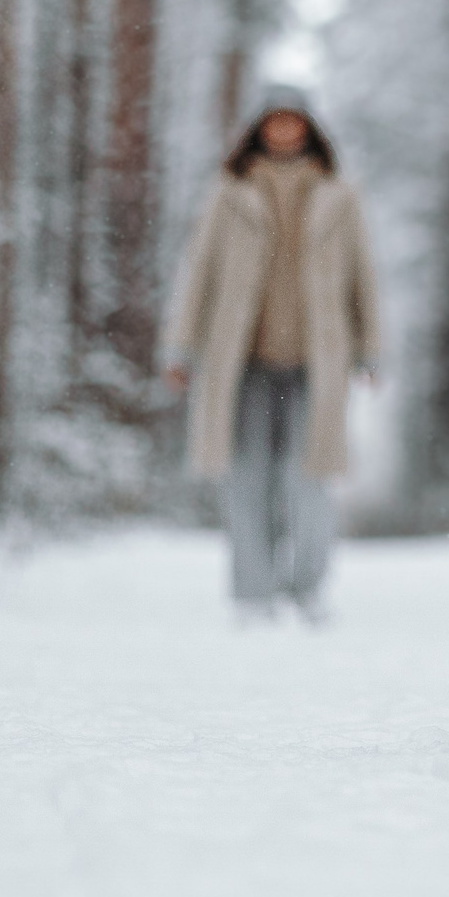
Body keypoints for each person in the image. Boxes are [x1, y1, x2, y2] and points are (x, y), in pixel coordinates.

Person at [161, 91, 380, 616]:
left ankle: (307, 587)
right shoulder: (230, 191)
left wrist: (369, 351)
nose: (284, 131)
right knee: (245, 477)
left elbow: (362, 278)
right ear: (258, 129)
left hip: (318, 361)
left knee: (311, 477)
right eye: (274, 122)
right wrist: (180, 348)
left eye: (293, 122)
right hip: (240, 361)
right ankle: (253, 592)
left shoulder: (338, 195)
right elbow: (200, 272)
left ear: (309, 129)